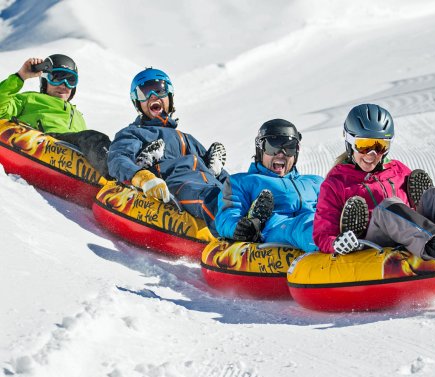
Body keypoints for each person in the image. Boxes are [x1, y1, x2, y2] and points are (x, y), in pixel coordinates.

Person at [312, 103, 435, 278]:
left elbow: (420, 206)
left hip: (408, 233)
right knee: (389, 206)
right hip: (373, 240)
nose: (372, 155)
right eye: (364, 146)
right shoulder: (336, 183)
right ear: (349, 141)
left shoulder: (396, 169)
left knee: (434, 194)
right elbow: (322, 235)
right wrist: (337, 243)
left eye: (380, 146)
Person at [107, 67, 228, 233]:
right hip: (179, 186)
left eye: (159, 90)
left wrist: (224, 177)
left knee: (236, 194)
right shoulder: (134, 133)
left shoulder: (187, 138)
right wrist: (142, 177)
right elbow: (118, 158)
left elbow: (226, 179)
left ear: (170, 97)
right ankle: (238, 231)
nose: (153, 96)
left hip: (211, 186)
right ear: (138, 103)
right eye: (144, 93)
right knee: (212, 198)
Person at [214, 119, 323, 252]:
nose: (281, 153)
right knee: (301, 225)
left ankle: (347, 237)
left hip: (314, 223)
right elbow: (226, 217)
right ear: (260, 149)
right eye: (272, 147)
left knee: (322, 218)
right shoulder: (241, 182)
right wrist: (241, 228)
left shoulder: (315, 182)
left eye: (289, 147)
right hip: (276, 229)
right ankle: (331, 244)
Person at [0, 54, 111, 177]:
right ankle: (116, 177)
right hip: (47, 142)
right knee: (94, 139)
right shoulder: (29, 98)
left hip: (74, 157)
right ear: (45, 80)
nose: (64, 85)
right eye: (57, 78)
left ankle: (126, 180)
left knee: (112, 146)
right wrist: (20, 76)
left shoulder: (78, 116)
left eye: (70, 80)